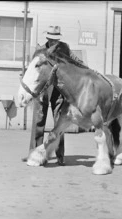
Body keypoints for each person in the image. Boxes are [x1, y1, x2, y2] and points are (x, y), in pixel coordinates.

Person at [29, 26, 84, 166]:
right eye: (51, 39)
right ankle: (35, 155)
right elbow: (32, 70)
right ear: (47, 38)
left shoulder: (64, 49)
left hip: (58, 90)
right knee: (38, 123)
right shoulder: (40, 51)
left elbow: (75, 60)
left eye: (56, 39)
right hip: (42, 90)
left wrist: (85, 68)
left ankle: (60, 156)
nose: (54, 42)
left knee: (59, 123)